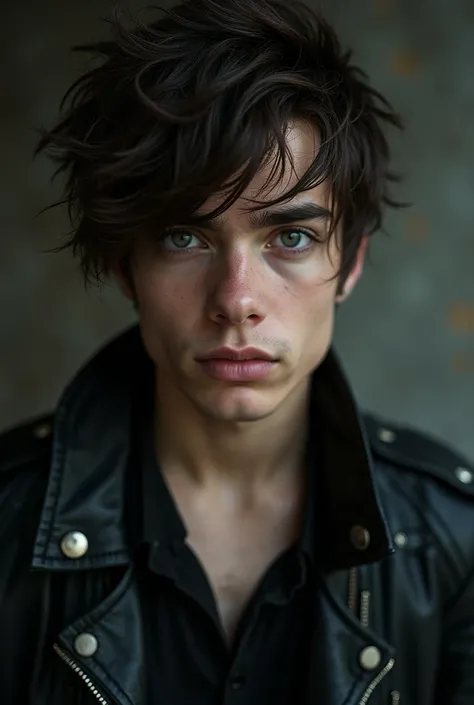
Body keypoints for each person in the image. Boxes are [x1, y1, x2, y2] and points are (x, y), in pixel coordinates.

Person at [1, 0, 473, 702]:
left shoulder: (453, 539)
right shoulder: (8, 522)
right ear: (127, 267)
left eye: (291, 237)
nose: (237, 298)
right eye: (184, 237)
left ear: (350, 264)